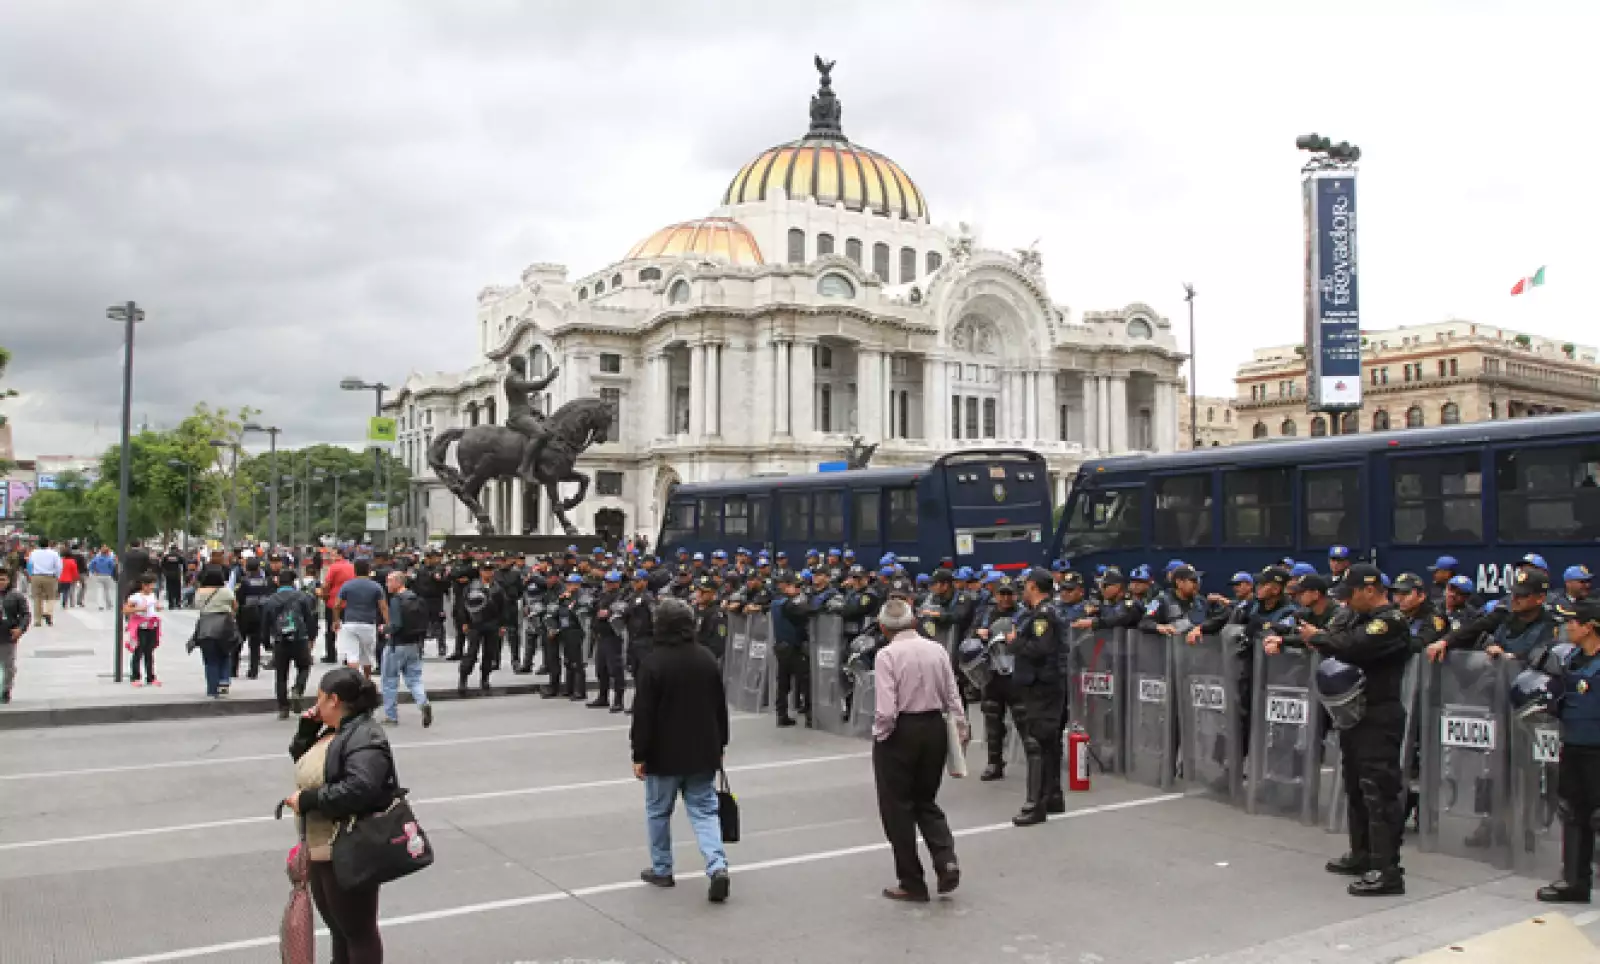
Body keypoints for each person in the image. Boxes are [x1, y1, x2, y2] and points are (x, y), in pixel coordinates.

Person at [1297, 562, 1411, 897]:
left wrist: (1319, 637)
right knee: (1356, 787)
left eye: (1352, 594)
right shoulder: (1356, 617)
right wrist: (1324, 636)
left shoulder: (1390, 621)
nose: (1346, 601)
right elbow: (1339, 635)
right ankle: (1363, 854)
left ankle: (1387, 869)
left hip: (1379, 712)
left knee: (1379, 792)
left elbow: (1353, 645)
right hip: (1354, 713)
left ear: (1370, 590)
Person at [284, 668, 397, 964]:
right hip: (324, 845)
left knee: (357, 932)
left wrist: (308, 800)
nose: (316, 705)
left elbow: (361, 787)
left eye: (319, 698)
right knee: (340, 930)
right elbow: (311, 764)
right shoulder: (336, 730)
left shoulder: (364, 735)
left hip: (349, 847)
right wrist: (306, 732)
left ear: (333, 700)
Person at [629, 598, 731, 903]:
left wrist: (639, 753)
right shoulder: (706, 658)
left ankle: (662, 868)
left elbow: (643, 714)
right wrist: (721, 744)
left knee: (659, 812)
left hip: (663, 754)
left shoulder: (653, 663)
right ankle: (717, 865)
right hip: (703, 750)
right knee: (704, 811)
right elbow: (719, 706)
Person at [870, 597, 964, 901]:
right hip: (934, 726)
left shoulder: (886, 655)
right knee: (926, 800)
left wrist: (880, 736)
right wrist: (960, 728)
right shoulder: (937, 649)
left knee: (897, 808)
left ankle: (912, 880)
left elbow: (886, 709)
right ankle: (946, 860)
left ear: (883, 628)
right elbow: (952, 694)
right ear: (913, 621)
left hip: (902, 730)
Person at [1536, 598, 1600, 903]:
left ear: (1589, 627)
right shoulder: (1570, 659)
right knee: (1573, 812)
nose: (1567, 627)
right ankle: (1575, 882)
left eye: (1572, 622)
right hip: (1573, 745)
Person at [262, 569, 320, 718]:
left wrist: (266, 643)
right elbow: (310, 619)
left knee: (281, 674)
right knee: (304, 666)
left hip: (280, 640)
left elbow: (265, 623)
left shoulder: (271, 600)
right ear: (293, 582)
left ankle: (283, 707)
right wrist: (311, 637)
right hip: (299, 639)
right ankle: (298, 689)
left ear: (278, 582)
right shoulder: (302, 597)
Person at [381, 571, 433, 727]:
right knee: (414, 678)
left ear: (398, 583)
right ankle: (423, 702)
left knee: (389, 680)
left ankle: (391, 716)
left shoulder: (397, 600)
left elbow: (396, 625)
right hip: (414, 644)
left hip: (396, 645)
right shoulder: (417, 599)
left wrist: (384, 629)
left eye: (389, 581)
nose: (387, 585)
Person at [459, 559, 507, 696]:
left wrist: (502, 625)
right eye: (485, 570)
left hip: (492, 624)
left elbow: (503, 607)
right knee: (471, 653)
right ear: (480, 572)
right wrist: (464, 622)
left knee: (489, 654)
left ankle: (485, 679)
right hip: (475, 623)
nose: (488, 573)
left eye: (490, 570)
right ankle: (463, 679)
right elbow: (463, 605)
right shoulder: (472, 586)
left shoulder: (498, 588)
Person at [334, 560, 388, 680]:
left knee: (352, 655)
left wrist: (336, 620)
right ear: (368, 570)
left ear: (355, 571)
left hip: (349, 623)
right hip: (368, 624)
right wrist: (388, 623)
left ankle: (354, 681)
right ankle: (367, 680)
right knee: (367, 656)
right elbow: (383, 607)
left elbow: (337, 605)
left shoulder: (347, 585)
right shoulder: (376, 586)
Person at [192, 566, 238, 697]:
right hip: (224, 626)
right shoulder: (226, 591)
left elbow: (197, 606)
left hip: (206, 625)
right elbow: (235, 606)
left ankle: (212, 688)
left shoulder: (199, 592)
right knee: (225, 654)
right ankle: (224, 681)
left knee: (210, 659)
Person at [122, 572, 163, 686]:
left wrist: (158, 607)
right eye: (151, 585)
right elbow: (125, 610)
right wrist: (138, 609)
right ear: (144, 585)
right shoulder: (135, 597)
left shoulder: (152, 595)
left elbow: (154, 606)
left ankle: (150, 677)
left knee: (149, 652)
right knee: (138, 652)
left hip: (151, 626)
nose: (152, 588)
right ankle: (135, 677)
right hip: (140, 627)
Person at [0, 569, 33, 703]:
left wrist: (20, 629)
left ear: (8, 580)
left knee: (8, 665)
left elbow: (26, 614)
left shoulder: (16, 596)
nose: (1, 582)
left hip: (7, 635)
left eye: (3, 579)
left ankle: (6, 690)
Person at [321, 552, 356, 664]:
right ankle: (348, 656)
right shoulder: (352, 566)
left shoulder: (334, 567)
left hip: (333, 602)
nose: (331, 557)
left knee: (331, 630)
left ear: (340, 555)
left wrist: (324, 597)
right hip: (349, 602)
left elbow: (326, 585)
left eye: (333, 555)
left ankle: (331, 655)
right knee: (349, 630)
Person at [26, 537, 62, 627]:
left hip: (36, 576)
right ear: (48, 544)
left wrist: (30, 575)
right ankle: (48, 613)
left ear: (39, 544)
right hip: (50, 577)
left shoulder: (33, 553)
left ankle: (37, 620)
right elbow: (58, 566)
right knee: (51, 597)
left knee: (37, 598)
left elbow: (30, 565)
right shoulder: (54, 553)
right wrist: (57, 576)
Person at [159, 544, 185, 610]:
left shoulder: (166, 557)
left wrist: (165, 573)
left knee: (170, 589)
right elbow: (184, 564)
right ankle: (178, 603)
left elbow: (161, 565)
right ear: (176, 549)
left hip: (169, 575)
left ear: (170, 549)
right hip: (177, 575)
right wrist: (184, 572)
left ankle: (171, 604)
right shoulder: (179, 556)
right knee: (177, 589)